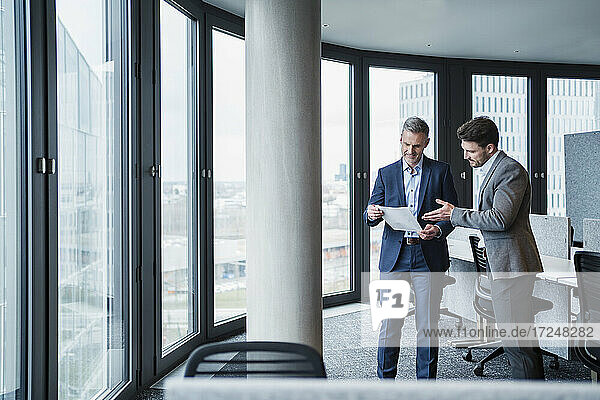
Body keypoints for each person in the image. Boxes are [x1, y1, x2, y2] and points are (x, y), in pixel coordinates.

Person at [422, 116, 545, 380]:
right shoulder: (496, 169)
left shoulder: (509, 171)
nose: (466, 156)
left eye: (471, 150)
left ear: (489, 148)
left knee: (517, 345)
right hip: (505, 266)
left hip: (512, 267)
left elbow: (499, 219)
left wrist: (454, 215)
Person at [364, 117, 458, 380]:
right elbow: (371, 213)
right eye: (406, 144)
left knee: (427, 326)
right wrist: (371, 213)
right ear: (400, 140)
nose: (410, 151)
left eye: (416, 146)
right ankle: (386, 384)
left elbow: (453, 215)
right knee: (390, 324)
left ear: (426, 143)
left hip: (428, 257)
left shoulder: (441, 172)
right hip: (395, 258)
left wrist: (438, 230)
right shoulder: (386, 173)